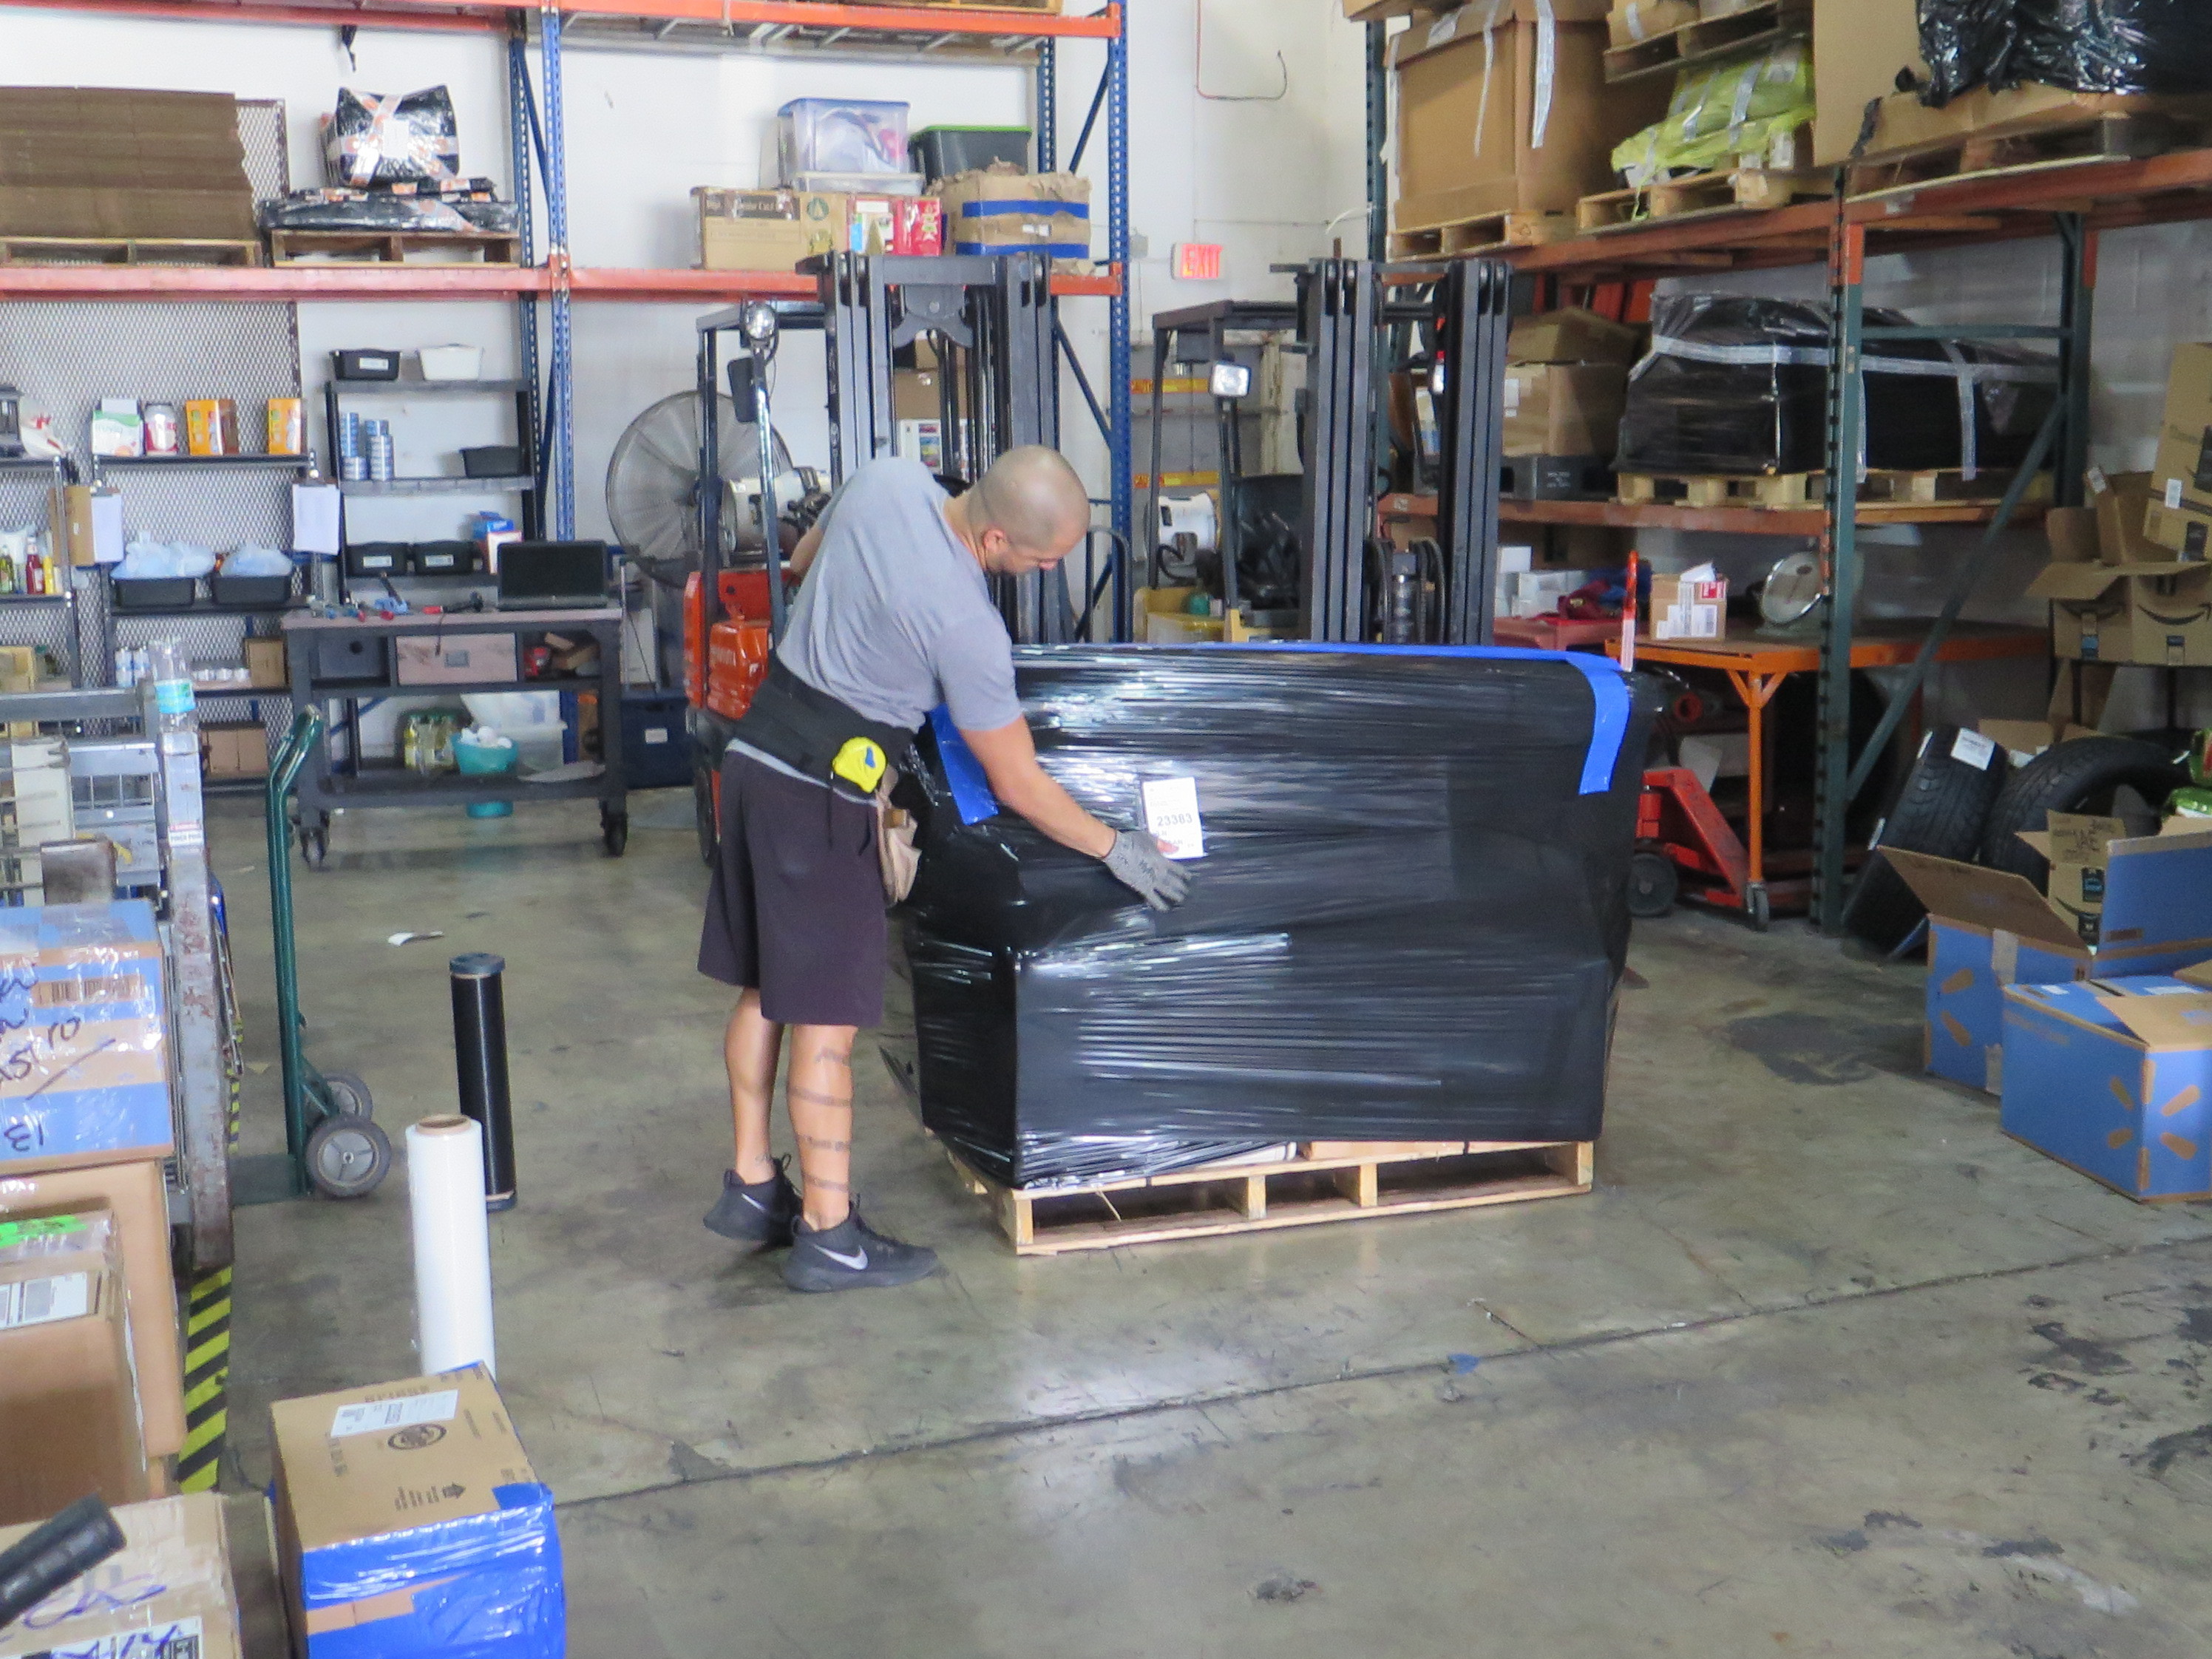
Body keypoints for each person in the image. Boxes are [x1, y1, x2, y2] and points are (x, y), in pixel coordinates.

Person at [697, 446, 1192, 1293]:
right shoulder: (967, 624)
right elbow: (1018, 782)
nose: (1045, 572)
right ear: (996, 538)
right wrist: (1114, 846)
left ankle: (751, 1183)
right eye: (1041, 558)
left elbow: (804, 558)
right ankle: (829, 1236)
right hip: (821, 801)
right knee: (825, 1025)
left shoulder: (887, 478)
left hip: (753, 762)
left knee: (764, 987)